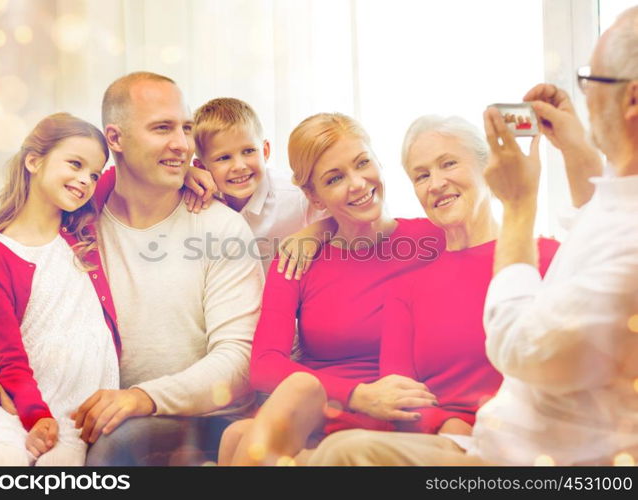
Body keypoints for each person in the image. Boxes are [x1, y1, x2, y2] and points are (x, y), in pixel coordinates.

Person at [307, 7, 638, 466]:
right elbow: (597, 216)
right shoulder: (611, 220)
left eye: (592, 82)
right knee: (337, 451)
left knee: (342, 457)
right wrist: (576, 145)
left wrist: (519, 205)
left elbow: (518, 347)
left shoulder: (556, 251)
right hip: (487, 443)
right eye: (420, 175)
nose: (435, 183)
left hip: (541, 461)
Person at [0, 72, 265, 465]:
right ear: (115, 139)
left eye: (185, 128)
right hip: (84, 414)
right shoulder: (76, 218)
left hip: (193, 418)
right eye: (162, 128)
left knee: (111, 448)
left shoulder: (220, 227)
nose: (182, 145)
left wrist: (140, 398)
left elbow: (238, 359)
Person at [218, 113, 446, 465]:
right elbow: (264, 365)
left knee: (239, 438)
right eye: (335, 178)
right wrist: (358, 395)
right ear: (313, 195)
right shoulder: (297, 258)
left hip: (398, 413)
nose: (357, 183)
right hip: (324, 409)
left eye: (362, 163)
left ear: (377, 160)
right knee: (251, 424)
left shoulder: (433, 239)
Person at [378, 116, 557, 437]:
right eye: (421, 176)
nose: (435, 183)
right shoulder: (406, 288)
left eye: (448, 164)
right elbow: (397, 395)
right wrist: (446, 424)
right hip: (446, 442)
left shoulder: (548, 257)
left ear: (489, 168)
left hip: (532, 437)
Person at [0, 113, 121, 466]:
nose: (86, 180)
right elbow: (5, 353)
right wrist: (36, 417)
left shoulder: (82, 229)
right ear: (34, 161)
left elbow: (140, 176)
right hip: (20, 408)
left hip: (76, 419)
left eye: (94, 174)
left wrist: (188, 171)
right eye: (76, 164)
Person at [191, 97, 333, 276]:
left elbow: (342, 221)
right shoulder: (200, 199)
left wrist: (315, 232)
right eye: (224, 158)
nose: (240, 166)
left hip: (292, 296)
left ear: (265, 151)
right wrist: (185, 175)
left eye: (248, 151)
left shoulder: (296, 195)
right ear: (202, 167)